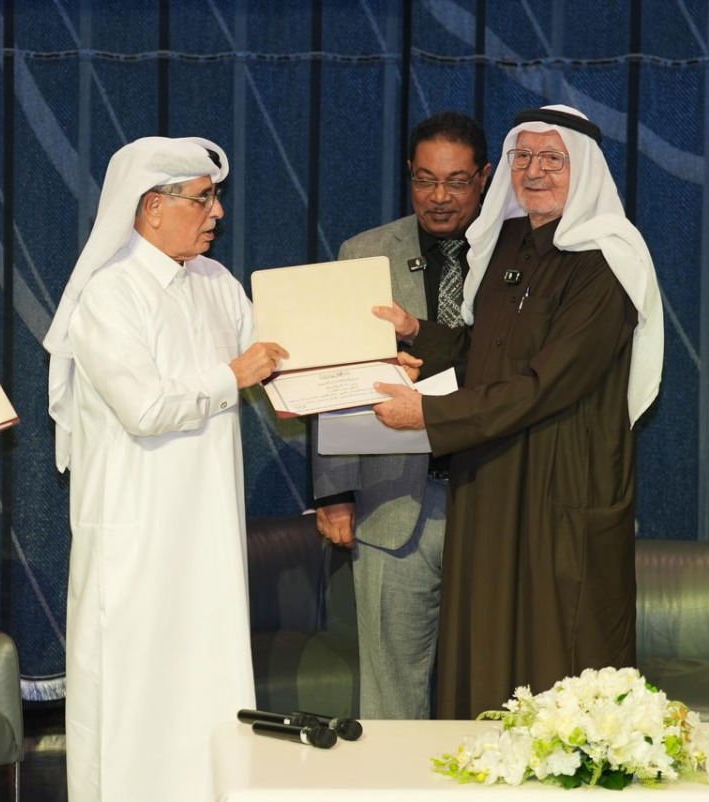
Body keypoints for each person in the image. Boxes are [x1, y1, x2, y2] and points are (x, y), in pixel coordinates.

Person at [372, 105, 664, 719]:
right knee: (486, 639)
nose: (534, 171)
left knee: (558, 649)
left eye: (552, 159)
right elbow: (485, 353)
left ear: (583, 169)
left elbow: (545, 384)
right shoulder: (506, 241)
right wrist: (418, 332)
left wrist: (429, 417)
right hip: (494, 475)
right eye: (523, 157)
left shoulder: (606, 260)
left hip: (563, 479)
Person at [43, 136, 286, 802]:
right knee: (135, 693)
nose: (218, 213)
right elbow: (145, 408)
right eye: (203, 199)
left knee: (206, 683)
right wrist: (231, 376)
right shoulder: (109, 294)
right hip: (138, 538)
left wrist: (368, 360)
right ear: (151, 207)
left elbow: (278, 360)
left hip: (207, 533)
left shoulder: (217, 282)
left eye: (216, 198)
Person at [312, 112, 490, 719]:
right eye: (424, 180)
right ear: (408, 175)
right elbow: (331, 377)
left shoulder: (520, 253)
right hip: (392, 501)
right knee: (390, 693)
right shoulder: (363, 254)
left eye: (456, 182)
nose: (439, 197)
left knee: (493, 687)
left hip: (493, 498)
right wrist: (334, 491)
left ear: (484, 178)